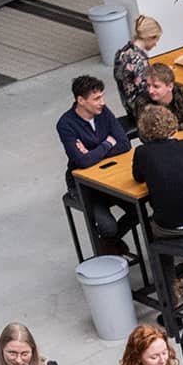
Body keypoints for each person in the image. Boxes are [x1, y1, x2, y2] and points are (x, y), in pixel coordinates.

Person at [58, 74, 132, 254]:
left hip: (109, 177)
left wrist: (93, 152)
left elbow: (124, 144)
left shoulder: (103, 113)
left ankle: (107, 245)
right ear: (81, 100)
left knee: (138, 210)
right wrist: (107, 143)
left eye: (102, 96)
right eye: (96, 98)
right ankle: (108, 242)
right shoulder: (66, 124)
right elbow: (82, 161)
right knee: (108, 227)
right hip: (84, 186)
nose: (102, 102)